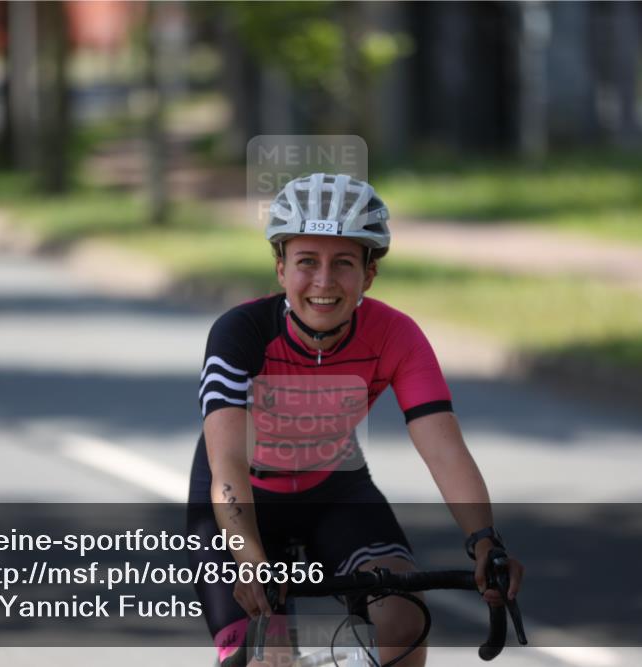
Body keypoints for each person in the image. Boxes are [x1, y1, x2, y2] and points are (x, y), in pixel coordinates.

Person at [187, 173, 523, 667]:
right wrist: (251, 559)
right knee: (265, 653)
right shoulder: (240, 333)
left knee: (405, 619)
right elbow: (228, 469)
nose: (324, 282)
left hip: (334, 488)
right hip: (242, 498)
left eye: (343, 263)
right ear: (280, 269)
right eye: (307, 262)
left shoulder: (396, 336)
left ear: (368, 274)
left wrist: (485, 541)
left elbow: (444, 448)